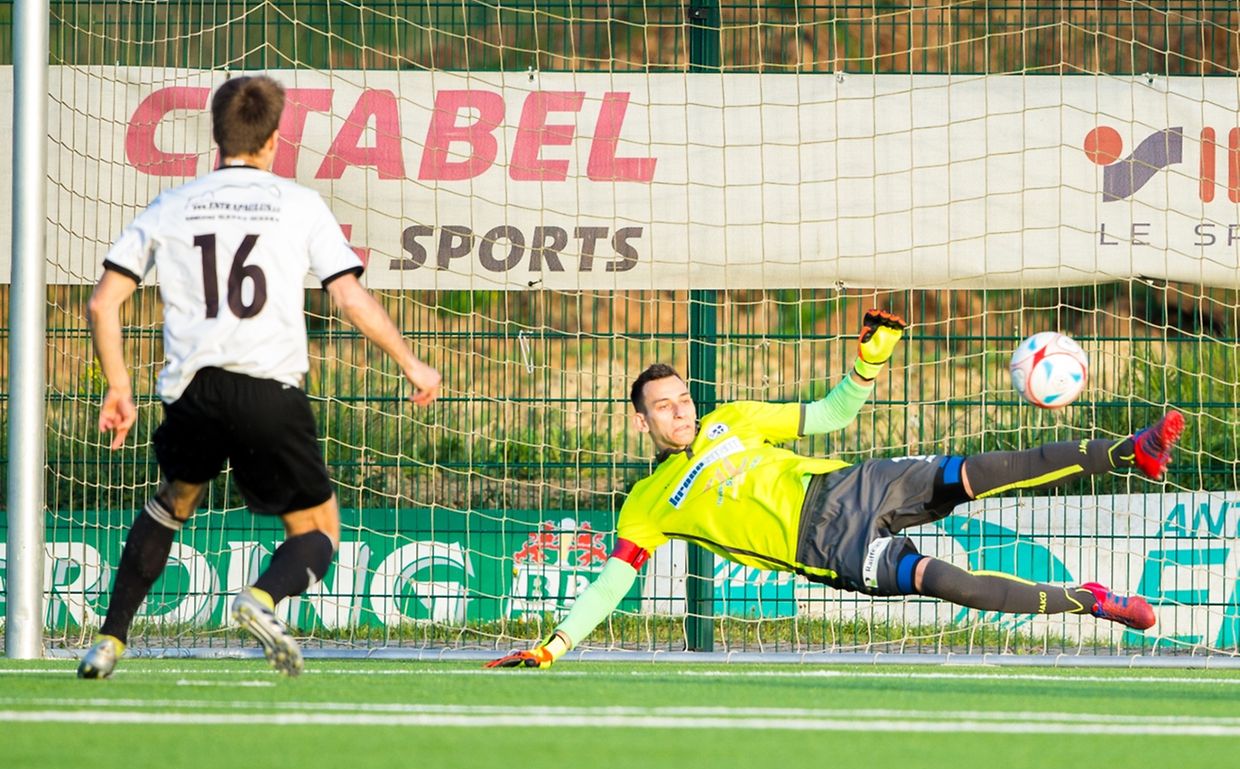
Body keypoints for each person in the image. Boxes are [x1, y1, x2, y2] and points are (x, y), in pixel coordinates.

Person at [487, 310, 1183, 668]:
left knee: (978, 471)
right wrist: (556, 645)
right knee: (954, 584)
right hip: (826, 547)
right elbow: (612, 582)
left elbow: (828, 416)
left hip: (853, 484)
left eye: (682, 398)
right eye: (663, 406)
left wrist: (869, 363)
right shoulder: (646, 504)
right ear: (642, 420)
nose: (680, 410)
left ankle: (1130, 451)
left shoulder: (732, 421)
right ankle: (1090, 601)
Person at [78, 75, 441, 679]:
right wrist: (411, 362)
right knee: (319, 526)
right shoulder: (299, 205)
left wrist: (119, 384)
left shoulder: (172, 205)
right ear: (274, 140)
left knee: (173, 503)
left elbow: (102, 303)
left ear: (216, 140)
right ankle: (262, 598)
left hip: (193, 391)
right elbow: (349, 297)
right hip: (270, 390)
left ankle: (109, 640)